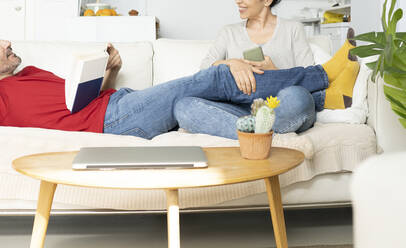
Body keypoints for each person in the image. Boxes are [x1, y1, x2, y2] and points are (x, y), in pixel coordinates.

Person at [0, 38, 359, 140]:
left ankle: (326, 98)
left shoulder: (29, 71)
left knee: (188, 104)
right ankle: (322, 74)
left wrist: (110, 73)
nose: (7, 42)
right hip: (114, 122)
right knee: (218, 76)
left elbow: (78, 101)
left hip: (120, 104)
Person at [173, 0, 340, 139]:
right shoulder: (229, 32)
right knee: (183, 107)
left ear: (267, 1)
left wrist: (274, 71)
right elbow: (203, 72)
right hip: (241, 111)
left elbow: (308, 76)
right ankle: (267, 137)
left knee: (298, 97)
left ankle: (249, 134)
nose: (238, 1)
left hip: (280, 107)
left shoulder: (292, 29)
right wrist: (232, 63)